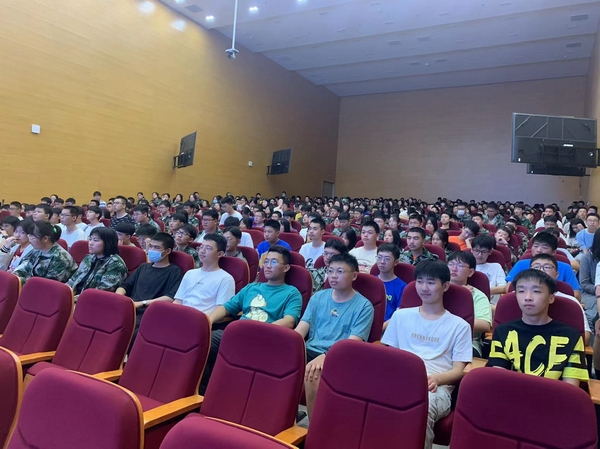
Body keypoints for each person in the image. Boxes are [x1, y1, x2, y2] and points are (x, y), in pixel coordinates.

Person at [382, 260, 472, 449]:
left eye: (431, 282)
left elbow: (458, 371)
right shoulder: (400, 316)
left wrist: (435, 379)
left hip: (436, 387)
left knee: (420, 407)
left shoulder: (459, 326)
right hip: (399, 379)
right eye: (420, 281)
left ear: (445, 286)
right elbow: (389, 356)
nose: (424, 288)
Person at [204, 246, 302, 391]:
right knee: (205, 341)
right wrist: (208, 320)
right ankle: (203, 392)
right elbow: (227, 307)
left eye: (274, 262)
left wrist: (259, 332)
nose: (268, 266)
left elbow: (289, 321)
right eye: (266, 261)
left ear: (286, 267)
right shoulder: (252, 287)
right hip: (238, 334)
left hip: (266, 338)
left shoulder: (292, 293)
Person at [295, 253, 374, 417]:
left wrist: (326, 356)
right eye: (330, 271)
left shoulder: (364, 306)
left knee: (313, 375)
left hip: (340, 357)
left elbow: (352, 345)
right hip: (309, 351)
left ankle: (315, 427)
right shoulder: (318, 297)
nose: (333, 276)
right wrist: (289, 348)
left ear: (354, 276)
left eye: (340, 271)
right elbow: (300, 330)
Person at [487, 269, 588, 386]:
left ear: (551, 297)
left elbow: (570, 388)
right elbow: (499, 381)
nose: (528, 297)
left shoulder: (571, 336)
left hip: (555, 396)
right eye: (521, 291)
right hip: (512, 394)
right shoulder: (502, 332)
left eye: (536, 291)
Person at [116, 232, 183, 336]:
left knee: (125, 331)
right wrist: (118, 298)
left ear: (167, 251)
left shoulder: (174, 271)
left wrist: (142, 303)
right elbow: (125, 286)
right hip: (130, 307)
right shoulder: (143, 267)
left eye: (156, 247)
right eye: (151, 246)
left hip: (149, 313)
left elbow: (170, 297)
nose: (151, 250)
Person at [529, 254, 591, 344]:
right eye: (536, 267)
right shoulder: (518, 298)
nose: (541, 270)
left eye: (547, 267)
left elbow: (586, 337)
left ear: (557, 274)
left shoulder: (571, 301)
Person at [174, 233, 235, 314]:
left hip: (201, 318)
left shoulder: (225, 279)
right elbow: (178, 300)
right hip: (180, 315)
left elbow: (221, 309)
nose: (202, 251)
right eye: (201, 247)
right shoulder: (190, 273)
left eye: (208, 248)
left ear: (220, 254)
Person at [506, 232, 580, 297]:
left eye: (544, 247)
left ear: (554, 252)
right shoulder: (521, 264)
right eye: (536, 246)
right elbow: (509, 288)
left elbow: (576, 293)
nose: (539, 250)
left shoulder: (565, 267)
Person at [447, 251, 492, 357]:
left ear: (470, 272)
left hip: (467, 342)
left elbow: (484, 324)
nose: (454, 269)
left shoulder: (477, 295)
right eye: (451, 264)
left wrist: (447, 322)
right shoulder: (437, 290)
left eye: (460, 265)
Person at [67, 227, 128, 295]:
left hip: (92, 299)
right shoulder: (88, 258)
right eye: (90, 239)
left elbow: (102, 292)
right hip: (75, 296)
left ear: (107, 243)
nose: (90, 243)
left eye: (95, 240)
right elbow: (73, 280)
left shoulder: (115, 264)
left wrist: (74, 298)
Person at [12, 221, 77, 284]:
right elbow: (25, 267)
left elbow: (48, 284)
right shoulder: (37, 250)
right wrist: (14, 276)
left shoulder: (60, 257)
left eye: (32, 237)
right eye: (29, 235)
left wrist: (20, 280)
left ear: (45, 238)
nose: (29, 239)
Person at [376, 243, 407, 329]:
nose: (382, 262)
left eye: (387, 259)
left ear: (396, 262)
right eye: (379, 257)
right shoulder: (370, 282)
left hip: (387, 328)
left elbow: (398, 315)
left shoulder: (403, 287)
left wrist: (379, 329)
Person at [471, 234, 506, 304]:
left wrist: (484, 293)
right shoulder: (466, 266)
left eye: (483, 252)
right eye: (477, 251)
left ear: (490, 252)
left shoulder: (496, 267)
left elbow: (503, 287)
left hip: (491, 303)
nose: (479, 255)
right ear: (471, 250)